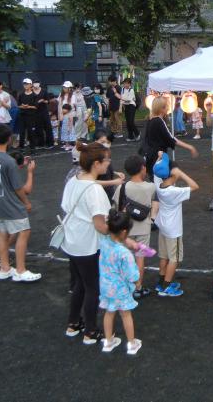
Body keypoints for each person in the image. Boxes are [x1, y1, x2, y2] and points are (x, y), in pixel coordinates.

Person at [61, 141, 112, 345]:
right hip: (87, 244)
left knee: (79, 284)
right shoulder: (94, 190)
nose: (108, 163)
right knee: (92, 288)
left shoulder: (74, 180)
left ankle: (73, 323)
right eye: (107, 160)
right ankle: (91, 331)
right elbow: (100, 225)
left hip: (71, 240)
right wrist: (119, 232)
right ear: (97, 163)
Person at [0, 123, 41, 283]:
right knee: (24, 231)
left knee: (3, 233)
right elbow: (18, 188)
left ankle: (5, 268)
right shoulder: (8, 161)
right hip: (9, 203)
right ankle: (21, 270)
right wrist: (26, 202)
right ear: (9, 139)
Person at [113, 155, 159, 299]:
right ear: (142, 168)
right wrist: (152, 219)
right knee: (140, 258)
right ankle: (138, 287)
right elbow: (155, 203)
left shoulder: (122, 187)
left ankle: (125, 286)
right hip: (143, 227)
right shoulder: (150, 187)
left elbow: (115, 206)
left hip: (126, 229)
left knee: (125, 258)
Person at [152, 152, 198, 297]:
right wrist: (181, 173)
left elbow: (156, 167)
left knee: (164, 256)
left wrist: (160, 157)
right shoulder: (173, 191)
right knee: (175, 258)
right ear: (171, 174)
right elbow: (194, 186)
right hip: (173, 230)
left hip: (163, 226)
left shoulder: (158, 182)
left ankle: (160, 282)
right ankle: (167, 286)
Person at [99, 209, 142, 355]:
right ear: (124, 232)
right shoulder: (124, 253)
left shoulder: (104, 242)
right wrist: (137, 282)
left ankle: (108, 341)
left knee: (109, 312)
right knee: (125, 314)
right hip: (120, 289)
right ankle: (131, 344)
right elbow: (132, 274)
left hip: (105, 287)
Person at [141, 96, 198, 178]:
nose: (168, 108)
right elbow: (171, 138)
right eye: (167, 106)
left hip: (150, 156)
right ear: (162, 108)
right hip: (158, 157)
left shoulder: (150, 120)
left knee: (159, 180)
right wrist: (190, 147)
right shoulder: (159, 121)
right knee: (168, 176)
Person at [17, 78, 38, 152]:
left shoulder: (34, 95)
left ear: (30, 85)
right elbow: (18, 105)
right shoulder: (21, 95)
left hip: (31, 116)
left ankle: (32, 148)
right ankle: (21, 148)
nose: (25, 85)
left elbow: (36, 106)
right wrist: (22, 106)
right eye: (24, 84)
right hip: (22, 115)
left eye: (27, 84)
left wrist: (28, 106)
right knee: (22, 132)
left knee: (31, 132)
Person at [32, 80, 54, 149]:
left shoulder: (44, 91)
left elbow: (48, 101)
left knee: (48, 127)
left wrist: (43, 101)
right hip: (35, 112)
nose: (36, 84)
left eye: (37, 83)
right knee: (38, 128)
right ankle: (39, 143)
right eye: (34, 83)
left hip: (44, 111)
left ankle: (49, 143)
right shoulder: (31, 91)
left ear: (39, 84)